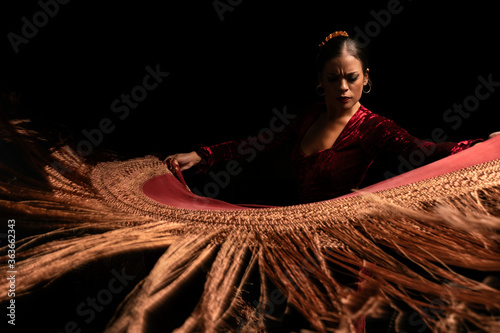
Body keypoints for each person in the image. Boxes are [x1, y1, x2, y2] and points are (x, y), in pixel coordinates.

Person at [168, 31, 496, 203]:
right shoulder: (308, 116)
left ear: (366, 78)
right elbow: (256, 143)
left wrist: (482, 146)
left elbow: (425, 151)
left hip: (343, 247)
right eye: (332, 79)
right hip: (300, 237)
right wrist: (202, 154)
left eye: (351, 78)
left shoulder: (372, 127)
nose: (342, 87)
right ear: (320, 81)